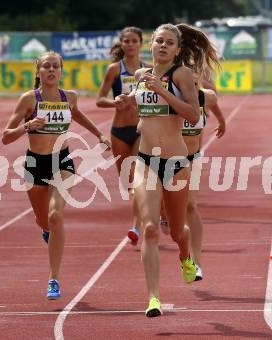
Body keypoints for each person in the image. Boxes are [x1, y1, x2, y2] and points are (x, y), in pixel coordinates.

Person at [116, 23, 210, 317]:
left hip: (177, 162)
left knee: (177, 231)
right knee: (150, 228)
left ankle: (186, 258)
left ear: (178, 50)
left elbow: (193, 114)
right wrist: (127, 101)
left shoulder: (182, 75)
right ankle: (153, 297)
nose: (163, 46)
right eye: (159, 41)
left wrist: (164, 93)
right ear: (151, 46)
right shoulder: (141, 76)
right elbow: (142, 109)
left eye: (170, 43)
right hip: (146, 160)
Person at [2, 51, 111, 300]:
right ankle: (47, 232)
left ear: (61, 71)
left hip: (62, 161)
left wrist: (99, 135)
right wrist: (26, 127)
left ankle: (54, 278)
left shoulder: (69, 97)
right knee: (43, 221)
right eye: (46, 67)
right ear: (38, 71)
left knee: (55, 215)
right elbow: (6, 136)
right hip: (35, 164)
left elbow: (77, 113)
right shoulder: (29, 100)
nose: (51, 71)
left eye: (55, 67)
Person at [160, 23, 226, 282]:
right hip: (163, 151)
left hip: (191, 152)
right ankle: (165, 215)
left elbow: (211, 98)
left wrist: (221, 119)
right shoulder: (165, 75)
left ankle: (195, 262)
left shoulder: (201, 77)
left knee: (191, 205)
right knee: (170, 210)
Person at [96, 27, 148, 246]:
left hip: (140, 129)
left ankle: (136, 225)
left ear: (140, 43)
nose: (130, 44)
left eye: (134, 41)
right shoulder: (114, 70)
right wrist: (114, 101)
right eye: (126, 41)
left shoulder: (149, 70)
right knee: (128, 183)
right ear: (121, 44)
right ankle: (149, 212)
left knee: (139, 179)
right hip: (118, 131)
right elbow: (100, 99)